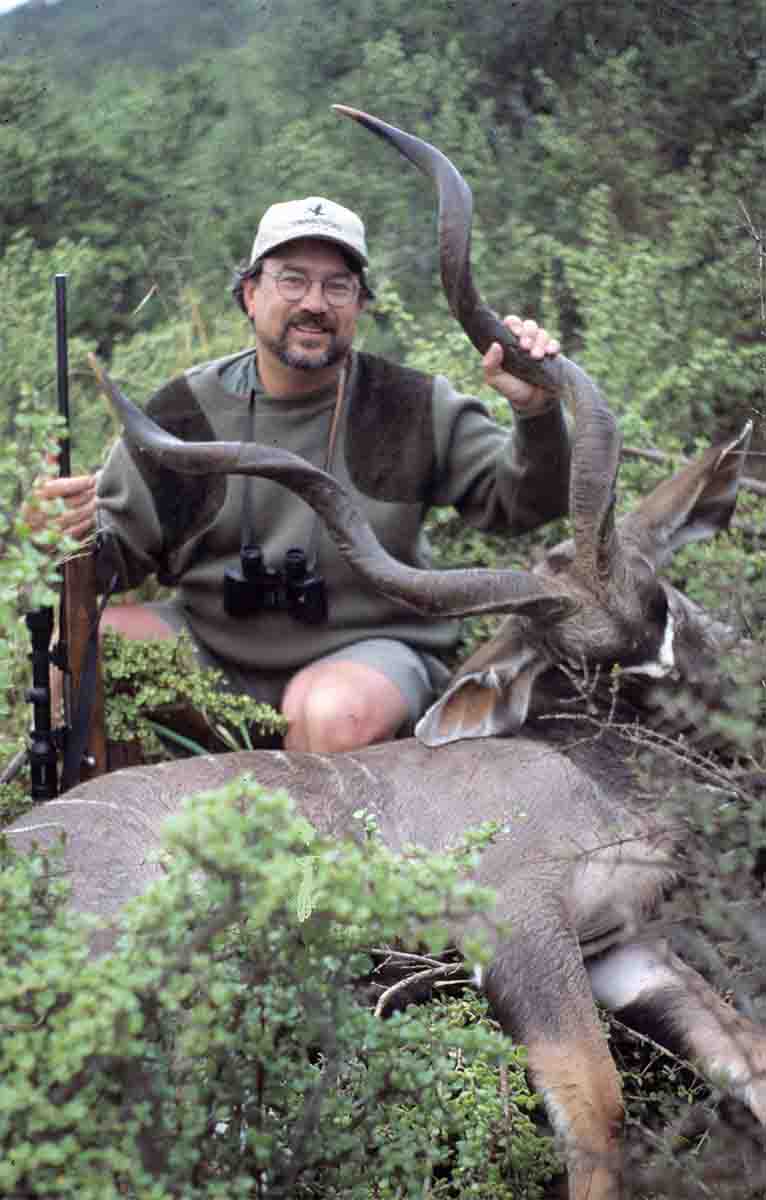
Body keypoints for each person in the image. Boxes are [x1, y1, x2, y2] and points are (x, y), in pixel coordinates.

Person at [29, 196, 570, 753]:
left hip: (365, 653)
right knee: (81, 651)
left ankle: (302, 840)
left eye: (337, 286)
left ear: (360, 303)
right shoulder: (183, 412)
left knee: (329, 713)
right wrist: (55, 531)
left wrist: (537, 412)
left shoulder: (411, 403)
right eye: (292, 280)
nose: (315, 304)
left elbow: (527, 503)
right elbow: (107, 564)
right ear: (250, 293)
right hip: (210, 653)